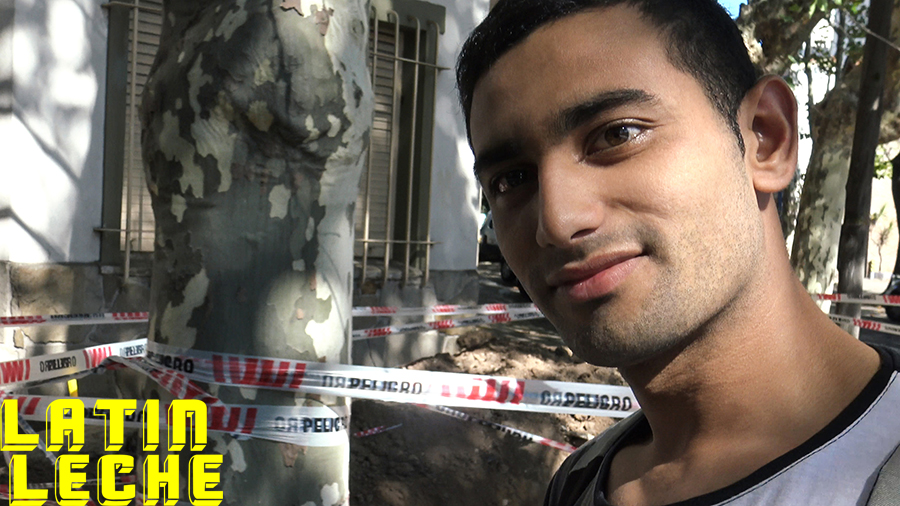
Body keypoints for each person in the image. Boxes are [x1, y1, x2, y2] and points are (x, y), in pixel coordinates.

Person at [455, 1, 900, 505]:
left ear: (766, 139)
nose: (556, 222)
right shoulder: (579, 481)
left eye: (617, 134)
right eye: (512, 179)